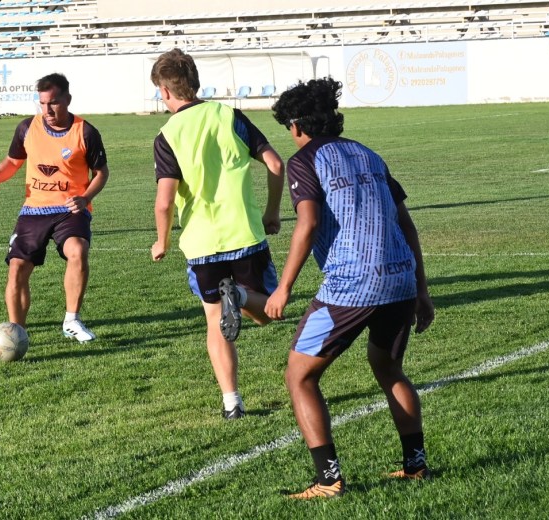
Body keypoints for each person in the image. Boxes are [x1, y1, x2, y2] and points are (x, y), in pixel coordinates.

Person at [264, 78, 436, 499]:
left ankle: (328, 480)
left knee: (299, 376)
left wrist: (283, 287)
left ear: (298, 124)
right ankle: (415, 467)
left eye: (288, 124)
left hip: (352, 284)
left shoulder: (305, 160)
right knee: (388, 368)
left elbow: (308, 224)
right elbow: (405, 222)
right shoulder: (368, 153)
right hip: (400, 277)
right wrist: (421, 289)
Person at [149, 48, 285, 420]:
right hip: (244, 234)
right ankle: (240, 295)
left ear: (164, 91)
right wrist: (273, 212)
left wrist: (161, 241)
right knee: (269, 313)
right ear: (194, 82)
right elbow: (276, 163)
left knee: (214, 321)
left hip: (201, 243)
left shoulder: (166, 135)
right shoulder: (229, 116)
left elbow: (164, 202)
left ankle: (231, 403)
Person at [0, 73, 108, 343]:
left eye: (53, 103)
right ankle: (17, 332)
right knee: (17, 268)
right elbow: (13, 162)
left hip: (70, 209)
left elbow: (101, 173)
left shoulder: (85, 131)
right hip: (34, 210)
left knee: (77, 249)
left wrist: (84, 199)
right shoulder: (27, 127)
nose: (47, 110)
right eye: (42, 103)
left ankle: (72, 320)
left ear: (67, 100)